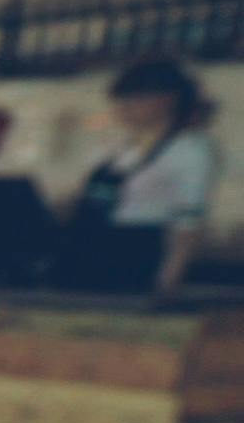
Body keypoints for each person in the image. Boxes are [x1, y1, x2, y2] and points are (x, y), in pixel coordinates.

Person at [66, 57, 218, 295]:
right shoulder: (121, 149)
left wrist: (168, 281)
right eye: (120, 100)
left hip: (138, 254)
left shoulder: (190, 150)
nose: (124, 107)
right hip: (91, 248)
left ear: (168, 99)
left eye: (135, 99)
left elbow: (188, 224)